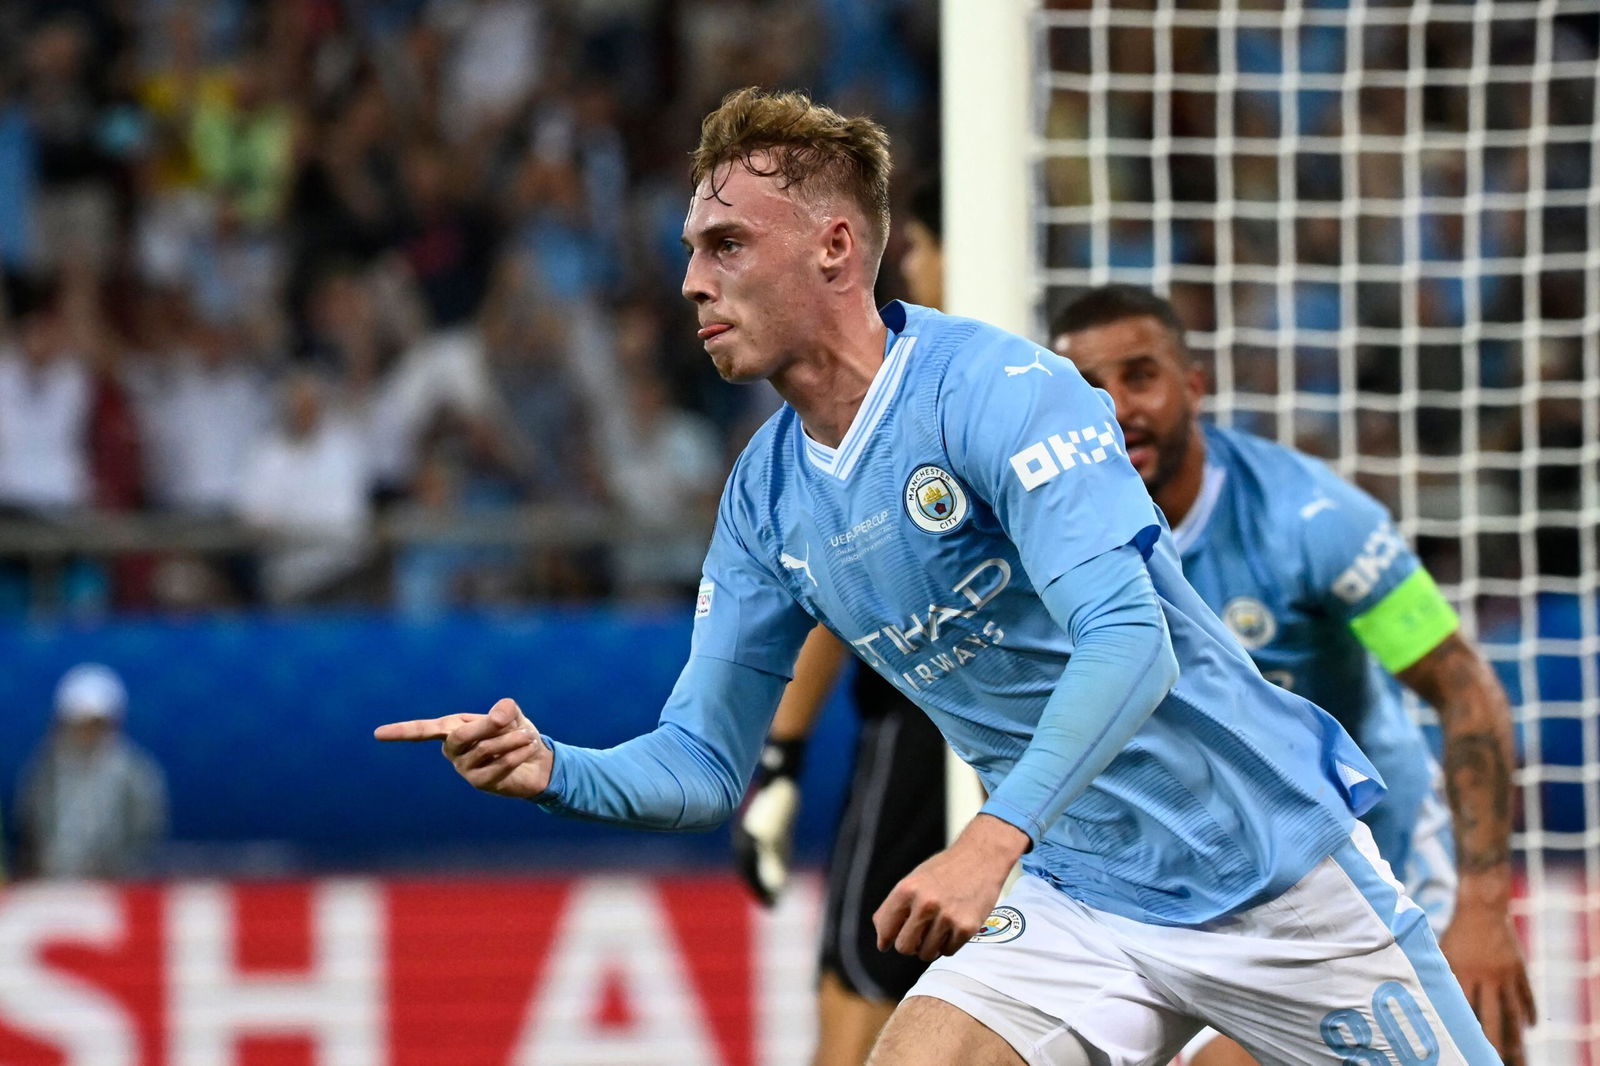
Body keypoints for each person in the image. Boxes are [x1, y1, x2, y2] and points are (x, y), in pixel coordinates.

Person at [377, 88, 1504, 1065]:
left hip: (1271, 871)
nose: (689, 281)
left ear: (832, 248)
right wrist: (555, 768)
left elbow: (1130, 643)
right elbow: (703, 760)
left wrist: (984, 841)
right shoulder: (764, 496)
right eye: (689, 248)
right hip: (1080, 889)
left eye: (724, 244)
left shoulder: (1001, 389)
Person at [1049, 285, 1534, 1066]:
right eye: (1089, 390)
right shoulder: (1053, 544)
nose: (1116, 409)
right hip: (1195, 884)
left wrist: (1481, 907)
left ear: (1194, 383)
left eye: (1140, 377)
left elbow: (1464, 686)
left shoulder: (1312, 521)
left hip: (1369, 866)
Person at [730, 177, 959, 1066]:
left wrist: (781, 758)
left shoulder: (900, 390)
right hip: (1041, 737)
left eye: (924, 246)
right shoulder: (1026, 381)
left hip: (926, 723)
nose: (915, 264)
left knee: (863, 997)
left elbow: (841, 587)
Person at [14, 663, 169, 879]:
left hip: (117, 878)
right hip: (53, 878)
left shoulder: (135, 772)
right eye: (81, 724)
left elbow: (145, 825)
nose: (89, 733)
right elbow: (30, 822)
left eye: (96, 724)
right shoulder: (46, 770)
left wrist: (119, 861)